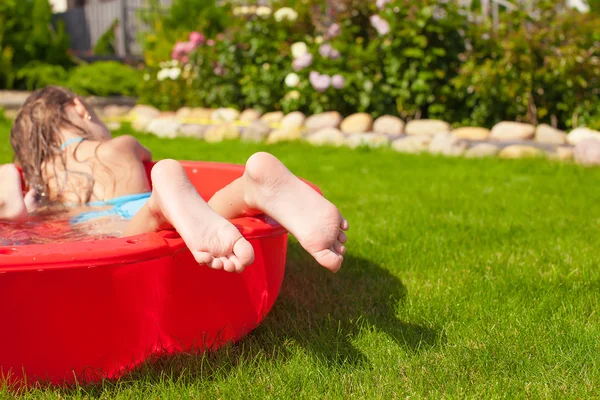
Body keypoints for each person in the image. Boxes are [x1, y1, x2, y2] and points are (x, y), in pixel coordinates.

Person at [0, 86, 348, 273]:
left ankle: (161, 204)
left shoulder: (44, 178)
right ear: (79, 108)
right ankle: (250, 187)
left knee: (158, 221)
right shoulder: (122, 146)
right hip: (137, 203)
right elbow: (147, 154)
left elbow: (17, 209)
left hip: (103, 229)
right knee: (204, 212)